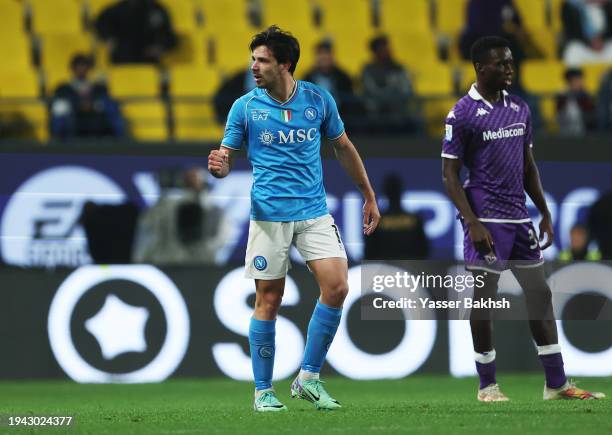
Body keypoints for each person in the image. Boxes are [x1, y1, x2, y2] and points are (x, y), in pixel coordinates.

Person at [208, 26, 380, 412]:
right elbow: (225, 158)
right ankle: (263, 391)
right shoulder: (244, 107)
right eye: (253, 59)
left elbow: (343, 147)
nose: (254, 66)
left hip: (314, 212)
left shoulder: (318, 100)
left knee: (337, 287)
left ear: (285, 64)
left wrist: (368, 194)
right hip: (269, 217)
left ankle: (309, 379)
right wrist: (219, 167)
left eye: (262, 60)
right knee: (269, 299)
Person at [441, 36, 604, 402]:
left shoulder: (520, 108)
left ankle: (556, 384)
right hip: (485, 218)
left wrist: (544, 211)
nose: (510, 69)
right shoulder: (462, 113)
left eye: (511, 62)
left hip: (519, 218)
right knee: (484, 299)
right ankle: (487, 386)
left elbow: (528, 166)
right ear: (481, 68)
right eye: (501, 64)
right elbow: (449, 175)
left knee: (540, 294)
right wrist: (472, 222)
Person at [131, 166, 228, 264]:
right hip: (166, 264)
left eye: (197, 176)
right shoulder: (162, 208)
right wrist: (139, 262)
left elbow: (221, 241)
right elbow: (146, 237)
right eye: (190, 176)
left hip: (200, 266)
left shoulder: (214, 210)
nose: (193, 179)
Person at [50, 54, 124, 138]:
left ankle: (119, 139)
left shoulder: (97, 87)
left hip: (94, 116)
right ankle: (58, 140)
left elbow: (102, 102)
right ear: (73, 68)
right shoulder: (64, 88)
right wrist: (78, 104)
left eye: (84, 66)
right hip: (72, 116)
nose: (81, 69)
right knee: (60, 106)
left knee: (110, 104)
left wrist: (93, 104)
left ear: (88, 68)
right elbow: (62, 104)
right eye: (78, 66)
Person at [364, 174, 429, 260]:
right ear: (401, 192)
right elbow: (424, 252)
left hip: (382, 271)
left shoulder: (375, 221)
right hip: (410, 270)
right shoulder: (415, 219)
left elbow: (369, 253)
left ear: (385, 193)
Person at [361, 35, 417, 133]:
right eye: (382, 48)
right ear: (374, 51)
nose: (387, 50)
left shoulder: (399, 69)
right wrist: (391, 90)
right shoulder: (368, 69)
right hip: (376, 113)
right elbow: (371, 91)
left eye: (387, 47)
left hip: (398, 112)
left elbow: (406, 90)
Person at [95, 0, 177, 64]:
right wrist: (108, 38)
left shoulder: (156, 10)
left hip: (149, 62)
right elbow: (100, 25)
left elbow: (169, 35)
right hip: (121, 60)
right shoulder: (115, 10)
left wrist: (161, 47)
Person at [561, 0, 612, 65]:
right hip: (584, 47)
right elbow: (571, 32)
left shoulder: (606, 5)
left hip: (604, 47)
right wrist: (589, 42)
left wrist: (602, 40)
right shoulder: (570, 6)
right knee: (572, 50)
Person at [556, 68, 597, 136]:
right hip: (566, 132)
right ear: (569, 82)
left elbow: (591, 114)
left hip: (585, 132)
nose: (579, 83)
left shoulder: (585, 95)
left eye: (580, 80)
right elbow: (558, 114)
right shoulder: (562, 96)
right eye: (576, 80)